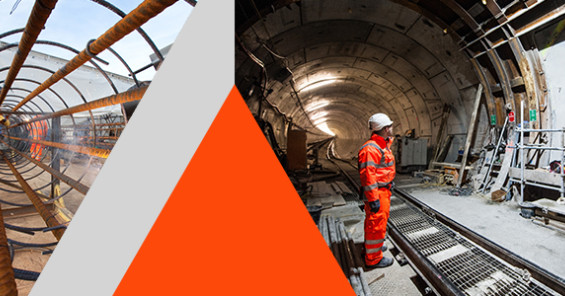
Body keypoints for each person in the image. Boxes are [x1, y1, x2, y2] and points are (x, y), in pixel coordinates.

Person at [358, 113, 396, 268]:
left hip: (383, 191)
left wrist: (389, 182)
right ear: (386, 129)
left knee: (377, 224)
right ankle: (373, 259)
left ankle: (372, 249)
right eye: (390, 125)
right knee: (376, 225)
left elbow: (382, 170)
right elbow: (368, 177)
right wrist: (373, 199)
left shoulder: (382, 145)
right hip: (377, 194)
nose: (392, 128)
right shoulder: (370, 149)